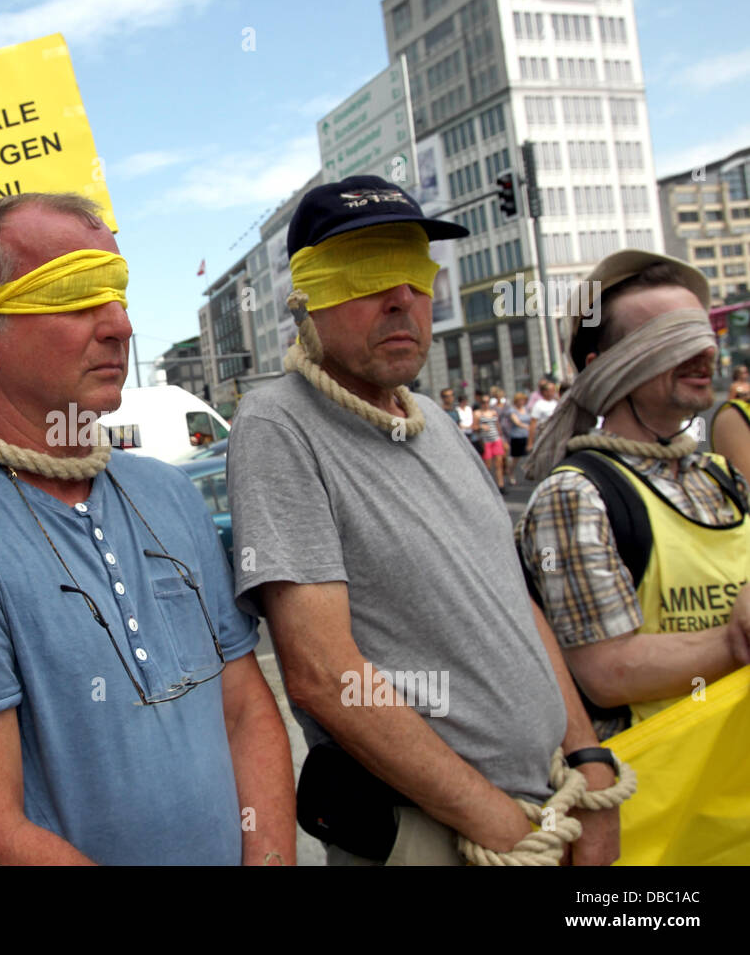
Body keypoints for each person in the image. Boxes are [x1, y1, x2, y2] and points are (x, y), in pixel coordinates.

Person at [0, 192, 296, 865]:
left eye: (119, 296)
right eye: (74, 298)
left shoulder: (168, 493)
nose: (120, 325)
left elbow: (244, 711)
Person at [228, 174, 619, 866]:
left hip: (546, 804)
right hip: (447, 836)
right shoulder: (276, 425)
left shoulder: (434, 419)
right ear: (305, 299)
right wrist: (498, 824)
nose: (400, 299)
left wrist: (587, 759)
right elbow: (322, 672)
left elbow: (514, 601)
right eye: (365, 275)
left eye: (413, 273)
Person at [519, 249, 750, 742]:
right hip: (662, 796)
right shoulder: (576, 495)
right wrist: (736, 639)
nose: (705, 353)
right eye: (672, 339)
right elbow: (607, 673)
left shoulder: (722, 478)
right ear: (605, 368)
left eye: (703, 333)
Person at [474, 393, 507, 491]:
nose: (486, 404)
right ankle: (487, 486)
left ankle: (501, 485)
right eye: (484, 402)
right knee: (487, 465)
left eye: (487, 402)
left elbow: (498, 426)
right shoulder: (477, 413)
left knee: (499, 464)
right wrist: (481, 427)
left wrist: (502, 439)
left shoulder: (493, 412)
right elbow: (473, 427)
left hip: (496, 439)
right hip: (486, 441)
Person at [505, 391, 533, 486]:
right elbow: (516, 422)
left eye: (523, 400)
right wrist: (527, 427)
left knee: (529, 454)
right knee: (516, 458)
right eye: (520, 400)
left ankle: (530, 472)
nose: (522, 402)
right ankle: (511, 472)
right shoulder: (512, 411)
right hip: (517, 436)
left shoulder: (526, 409)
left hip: (527, 435)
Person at [527, 378, 559, 446]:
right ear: (544, 392)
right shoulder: (538, 405)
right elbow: (533, 424)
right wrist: (530, 442)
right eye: (551, 391)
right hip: (544, 436)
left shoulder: (556, 403)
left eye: (554, 390)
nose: (553, 393)